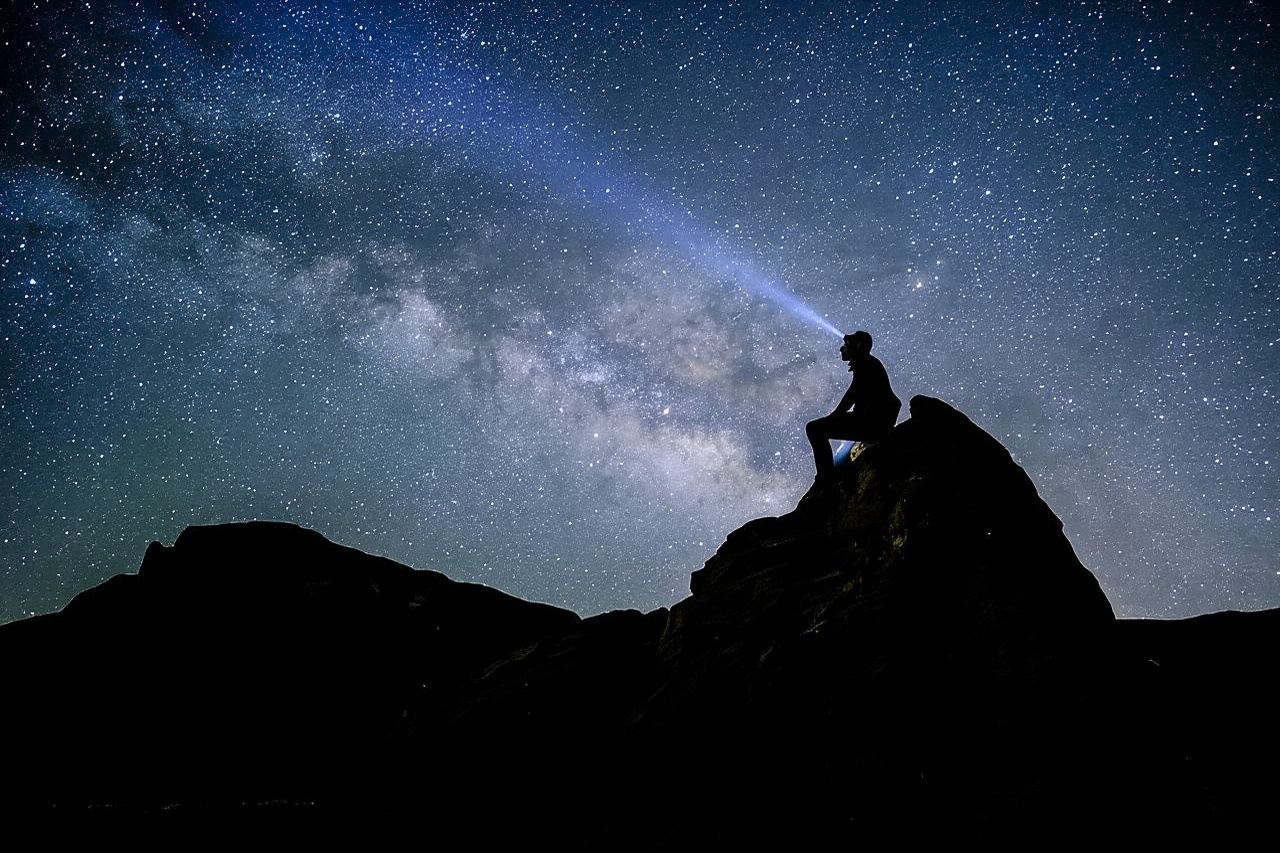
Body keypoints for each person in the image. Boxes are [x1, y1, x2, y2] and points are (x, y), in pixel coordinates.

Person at [805, 330, 901, 482]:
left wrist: (831, 419)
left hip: (873, 424)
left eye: (846, 345)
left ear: (858, 346)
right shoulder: (867, 364)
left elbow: (850, 397)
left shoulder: (866, 365)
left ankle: (826, 479)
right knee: (817, 428)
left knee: (814, 429)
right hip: (874, 422)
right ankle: (827, 477)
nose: (842, 349)